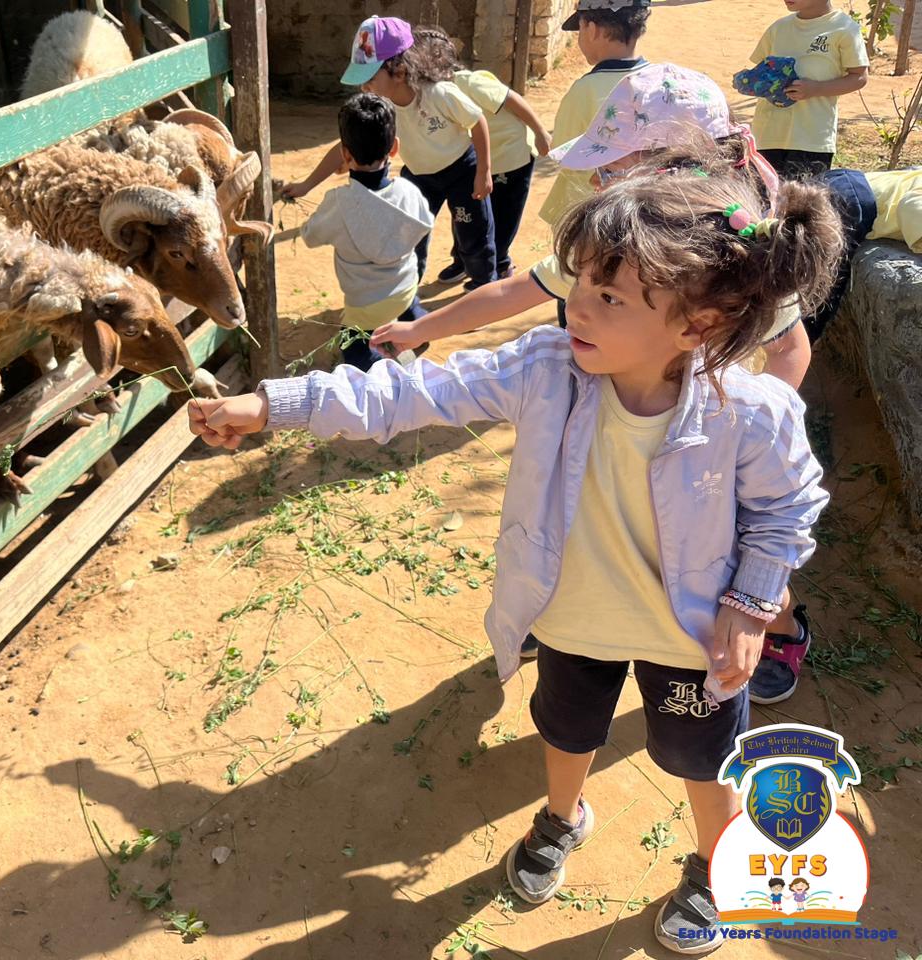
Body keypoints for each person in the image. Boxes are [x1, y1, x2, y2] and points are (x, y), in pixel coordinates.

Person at [190, 165, 841, 955]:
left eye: (611, 297)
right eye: (582, 286)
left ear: (696, 324)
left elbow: (788, 507)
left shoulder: (752, 410)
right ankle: (561, 818)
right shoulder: (546, 368)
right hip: (570, 617)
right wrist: (273, 404)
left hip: (690, 640)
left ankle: (713, 865)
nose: (579, 309)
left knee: (702, 763)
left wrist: (749, 604)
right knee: (565, 730)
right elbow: (408, 396)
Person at [370, 65, 813, 389]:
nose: (596, 181)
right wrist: (418, 330)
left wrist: (755, 436)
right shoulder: (612, 244)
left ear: (668, 170)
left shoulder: (744, 249)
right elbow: (512, 291)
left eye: (610, 168)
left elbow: (789, 349)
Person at [282, 16, 498, 291]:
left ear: (399, 70)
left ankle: (482, 286)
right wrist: (306, 185)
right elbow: (346, 146)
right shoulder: (383, 108)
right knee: (410, 234)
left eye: (370, 78)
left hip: (462, 171)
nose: (364, 88)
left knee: (473, 234)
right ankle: (406, 291)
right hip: (420, 176)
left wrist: (483, 171)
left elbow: (477, 122)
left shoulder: (440, 94)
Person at [298, 93, 434, 371]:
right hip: (405, 289)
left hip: (364, 306)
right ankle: (412, 331)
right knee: (404, 304)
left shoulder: (338, 202)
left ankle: (372, 363)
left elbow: (310, 235)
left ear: (345, 154)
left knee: (353, 347)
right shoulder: (409, 191)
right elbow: (425, 225)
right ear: (394, 148)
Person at [411, 27, 552, 284]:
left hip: (511, 156)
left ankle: (500, 264)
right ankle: (463, 261)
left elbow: (513, 99)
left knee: (503, 216)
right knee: (467, 215)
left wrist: (540, 132)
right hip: (480, 161)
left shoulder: (468, 82)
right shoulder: (430, 93)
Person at [538, 0, 652, 228]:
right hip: (640, 211)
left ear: (591, 29)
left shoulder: (585, 90)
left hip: (586, 211)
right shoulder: (655, 83)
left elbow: (563, 150)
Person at [749, 0, 868, 180]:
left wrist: (816, 89)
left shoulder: (844, 29)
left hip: (811, 139)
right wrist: (750, 82)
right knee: (765, 203)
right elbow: (761, 70)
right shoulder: (778, 29)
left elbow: (859, 77)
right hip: (767, 134)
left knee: (801, 205)